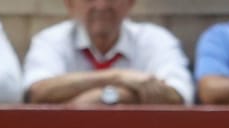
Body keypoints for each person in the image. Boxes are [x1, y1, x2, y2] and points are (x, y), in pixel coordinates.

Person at [22, 0, 192, 105]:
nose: (102, 5)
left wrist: (106, 97)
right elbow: (37, 93)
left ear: (130, 2)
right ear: (70, 4)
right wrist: (118, 77)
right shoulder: (50, 40)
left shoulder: (156, 39)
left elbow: (178, 96)